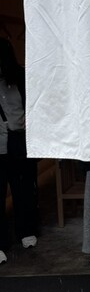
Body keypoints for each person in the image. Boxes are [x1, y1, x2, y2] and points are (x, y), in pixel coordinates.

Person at [0, 38, 38, 263]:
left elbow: (36, 102)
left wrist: (31, 118)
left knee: (22, 187)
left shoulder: (21, 77)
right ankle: (1, 243)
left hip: (18, 139)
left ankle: (26, 231)